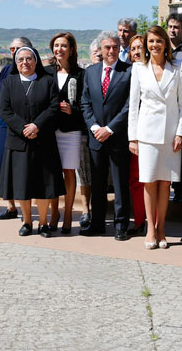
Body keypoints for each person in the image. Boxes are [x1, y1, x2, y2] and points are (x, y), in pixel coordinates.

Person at [128, 26, 182, 249]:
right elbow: (133, 105)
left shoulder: (178, 66)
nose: (155, 45)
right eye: (151, 41)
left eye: (159, 41)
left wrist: (181, 132)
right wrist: (132, 138)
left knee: (165, 183)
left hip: (171, 133)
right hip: (146, 134)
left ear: (165, 43)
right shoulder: (138, 68)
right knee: (149, 181)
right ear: (146, 44)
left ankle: (162, 228)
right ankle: (150, 229)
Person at [0, 47, 65, 237]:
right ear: (15, 62)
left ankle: (43, 223)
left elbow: (53, 107)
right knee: (22, 184)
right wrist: (24, 128)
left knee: (43, 184)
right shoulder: (9, 82)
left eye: (29, 59)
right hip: (18, 141)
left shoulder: (48, 82)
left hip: (43, 140)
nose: (24, 62)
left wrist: (37, 126)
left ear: (36, 61)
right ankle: (27, 222)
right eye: (20, 59)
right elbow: (5, 110)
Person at [81, 30, 132, 241]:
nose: (111, 51)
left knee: (120, 184)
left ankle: (121, 226)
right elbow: (85, 103)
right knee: (98, 185)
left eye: (114, 47)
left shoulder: (129, 72)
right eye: (107, 47)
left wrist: (109, 128)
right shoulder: (91, 72)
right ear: (100, 50)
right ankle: (98, 223)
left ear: (119, 48)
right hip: (96, 138)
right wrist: (94, 127)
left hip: (117, 137)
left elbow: (130, 105)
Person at [46, 32, 85, 234]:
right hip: (50, 131)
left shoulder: (81, 74)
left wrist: (74, 111)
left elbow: (86, 105)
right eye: (56, 45)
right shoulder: (45, 73)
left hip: (71, 131)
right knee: (53, 174)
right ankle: (54, 213)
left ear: (71, 50)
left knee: (69, 172)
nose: (59, 49)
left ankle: (69, 213)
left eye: (63, 46)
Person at [0, 37, 33, 221]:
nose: (14, 51)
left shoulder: (34, 72)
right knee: (3, 166)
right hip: (3, 124)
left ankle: (28, 208)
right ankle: (10, 206)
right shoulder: (6, 71)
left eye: (19, 48)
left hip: (28, 127)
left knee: (26, 169)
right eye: (12, 48)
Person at [77, 38, 102, 228]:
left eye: (102, 53)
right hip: (86, 130)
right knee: (85, 172)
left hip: (109, 132)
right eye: (96, 53)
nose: (99, 56)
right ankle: (86, 210)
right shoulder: (85, 75)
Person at [126, 35, 147, 236]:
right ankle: (139, 220)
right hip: (131, 134)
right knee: (135, 179)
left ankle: (148, 221)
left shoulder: (153, 70)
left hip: (150, 132)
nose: (137, 52)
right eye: (133, 49)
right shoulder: (127, 71)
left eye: (140, 47)